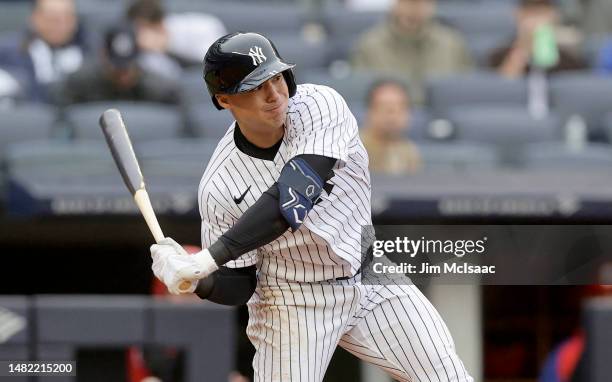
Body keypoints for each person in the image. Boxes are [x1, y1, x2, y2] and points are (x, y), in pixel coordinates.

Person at [149, 32, 473, 382]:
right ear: (225, 100)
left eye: (277, 78)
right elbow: (240, 285)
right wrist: (196, 281)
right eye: (257, 86)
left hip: (368, 271)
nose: (274, 94)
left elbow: (293, 198)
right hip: (291, 302)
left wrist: (206, 258)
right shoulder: (219, 184)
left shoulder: (320, 105)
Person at [351, 0, 474, 105]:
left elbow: (465, 91)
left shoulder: (453, 44)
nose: (413, 9)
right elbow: (361, 93)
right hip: (388, 124)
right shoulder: (369, 45)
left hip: (440, 120)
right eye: (408, 2)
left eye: (420, 2)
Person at [57, 25, 181, 105]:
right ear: (104, 55)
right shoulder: (81, 83)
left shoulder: (158, 89)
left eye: (127, 68)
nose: (122, 74)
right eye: (117, 68)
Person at [0, 0, 89, 102]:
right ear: (34, 18)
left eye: (67, 18)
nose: (61, 25)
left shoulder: (92, 51)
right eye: (52, 19)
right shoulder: (8, 53)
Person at [126, 0, 226, 79]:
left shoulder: (201, 26)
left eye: (144, 28)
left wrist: (168, 45)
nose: (141, 36)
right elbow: (170, 76)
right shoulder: (144, 51)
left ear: (159, 24)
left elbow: (216, 58)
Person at [489, 0, 586, 78]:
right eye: (530, 13)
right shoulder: (498, 55)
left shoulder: (568, 58)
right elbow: (500, 88)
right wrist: (523, 49)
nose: (536, 21)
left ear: (554, 16)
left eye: (541, 13)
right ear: (517, 15)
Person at [360, 79, 421, 174]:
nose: (392, 115)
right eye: (384, 107)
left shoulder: (410, 152)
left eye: (400, 108)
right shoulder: (352, 150)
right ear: (369, 112)